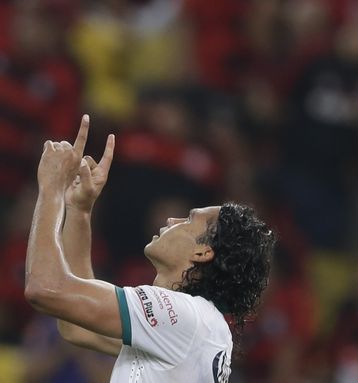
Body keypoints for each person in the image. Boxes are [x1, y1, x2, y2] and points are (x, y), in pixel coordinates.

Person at [24, 114, 276, 382]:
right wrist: (79, 209)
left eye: (189, 219)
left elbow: (45, 288)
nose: (172, 220)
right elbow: (79, 328)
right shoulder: (192, 326)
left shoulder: (184, 315)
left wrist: (51, 187)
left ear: (202, 252)